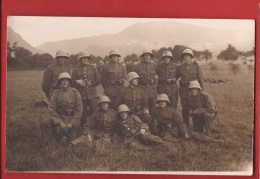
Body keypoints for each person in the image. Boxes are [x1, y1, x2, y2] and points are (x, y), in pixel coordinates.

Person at [40, 72, 83, 146]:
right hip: (59, 117)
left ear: (69, 82)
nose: (65, 82)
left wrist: (71, 124)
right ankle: (47, 142)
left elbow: (79, 110)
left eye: (67, 80)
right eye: (62, 80)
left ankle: (61, 136)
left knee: (70, 142)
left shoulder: (75, 93)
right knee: (44, 123)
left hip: (71, 119)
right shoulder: (56, 93)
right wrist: (60, 122)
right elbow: (51, 110)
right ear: (60, 82)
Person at [176, 49, 204, 128]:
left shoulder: (196, 66)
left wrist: (201, 91)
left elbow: (201, 79)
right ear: (183, 57)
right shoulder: (180, 67)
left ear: (191, 57)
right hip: (183, 91)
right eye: (185, 56)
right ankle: (186, 126)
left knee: (194, 108)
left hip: (193, 91)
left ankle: (197, 126)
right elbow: (175, 77)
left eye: (188, 56)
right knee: (185, 109)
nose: (186, 57)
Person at [71, 50, 100, 126]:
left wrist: (92, 83)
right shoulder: (75, 69)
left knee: (94, 111)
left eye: (86, 58)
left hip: (92, 94)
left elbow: (98, 81)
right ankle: (84, 129)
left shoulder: (93, 68)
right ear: (80, 60)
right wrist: (77, 81)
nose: (85, 60)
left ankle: (95, 128)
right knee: (82, 113)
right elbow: (71, 81)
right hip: (81, 95)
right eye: (83, 58)